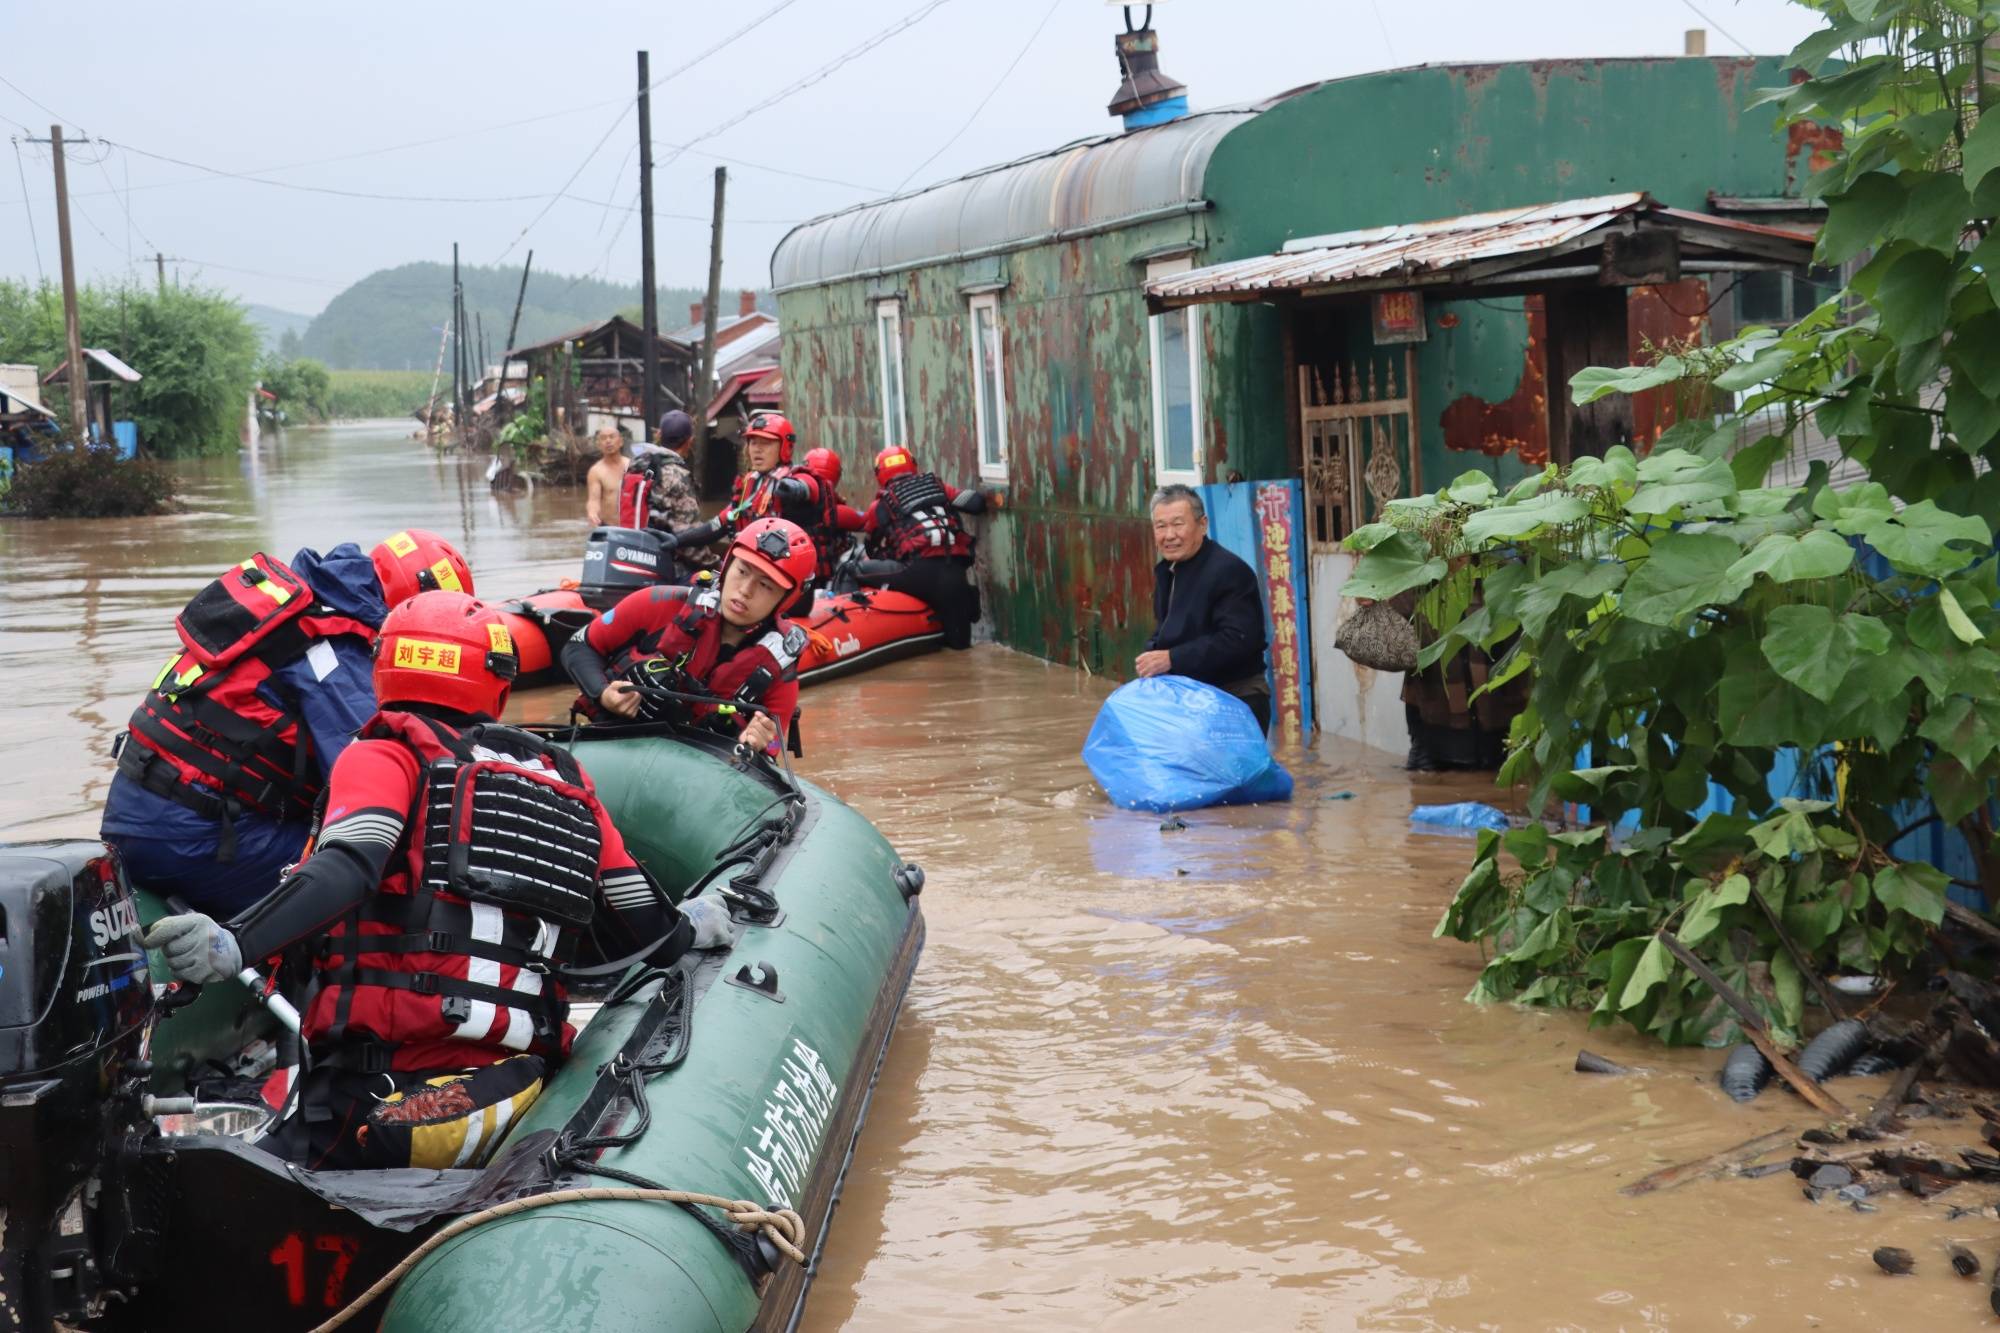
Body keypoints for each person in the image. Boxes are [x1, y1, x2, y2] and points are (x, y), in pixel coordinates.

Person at [141, 590, 733, 1171]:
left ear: (387, 666)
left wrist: (235, 942)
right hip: (515, 1088)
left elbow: (350, 864)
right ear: (496, 682)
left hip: (379, 1101)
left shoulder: (386, 754)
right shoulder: (567, 781)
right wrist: (697, 923)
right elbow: (645, 925)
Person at [102, 530, 475, 916]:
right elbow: (368, 775)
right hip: (194, 836)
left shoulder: (299, 606)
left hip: (132, 814)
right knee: (376, 876)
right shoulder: (334, 653)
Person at [562, 518, 815, 756]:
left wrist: (759, 744)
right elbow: (578, 646)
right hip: (615, 746)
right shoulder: (660, 603)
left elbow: (773, 745)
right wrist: (603, 693)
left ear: (786, 599)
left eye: (765, 585)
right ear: (726, 567)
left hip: (691, 778)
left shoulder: (779, 669)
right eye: (742, 571)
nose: (745, 590)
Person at [1137, 484, 1271, 730]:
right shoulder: (1169, 571)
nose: (1169, 535)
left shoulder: (1229, 571)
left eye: (1178, 524)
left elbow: (1238, 640)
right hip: (1189, 699)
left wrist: (1171, 659)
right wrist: (1152, 653)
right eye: (1161, 526)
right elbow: (1166, 630)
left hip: (1234, 700)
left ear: (1202, 524)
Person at [861, 446, 989, 650]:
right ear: (912, 464)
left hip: (917, 573)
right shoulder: (938, 487)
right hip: (955, 574)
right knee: (960, 648)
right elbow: (975, 503)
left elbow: (870, 547)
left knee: (852, 570)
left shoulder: (879, 506)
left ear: (880, 474)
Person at [618, 409, 716, 574]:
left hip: (633, 555)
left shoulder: (637, 466)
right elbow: (689, 540)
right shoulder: (676, 475)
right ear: (689, 441)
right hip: (666, 565)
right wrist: (716, 565)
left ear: (659, 435)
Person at [797, 447, 865, 583]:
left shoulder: (795, 502)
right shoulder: (832, 509)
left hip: (799, 571)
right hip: (822, 578)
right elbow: (864, 521)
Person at [584, 425, 629, 527]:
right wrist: (592, 513)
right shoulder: (596, 471)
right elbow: (593, 500)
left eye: (612, 437)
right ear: (599, 445)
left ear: (621, 442)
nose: (608, 441)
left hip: (632, 527)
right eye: (603, 438)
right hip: (608, 528)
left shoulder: (631, 466)